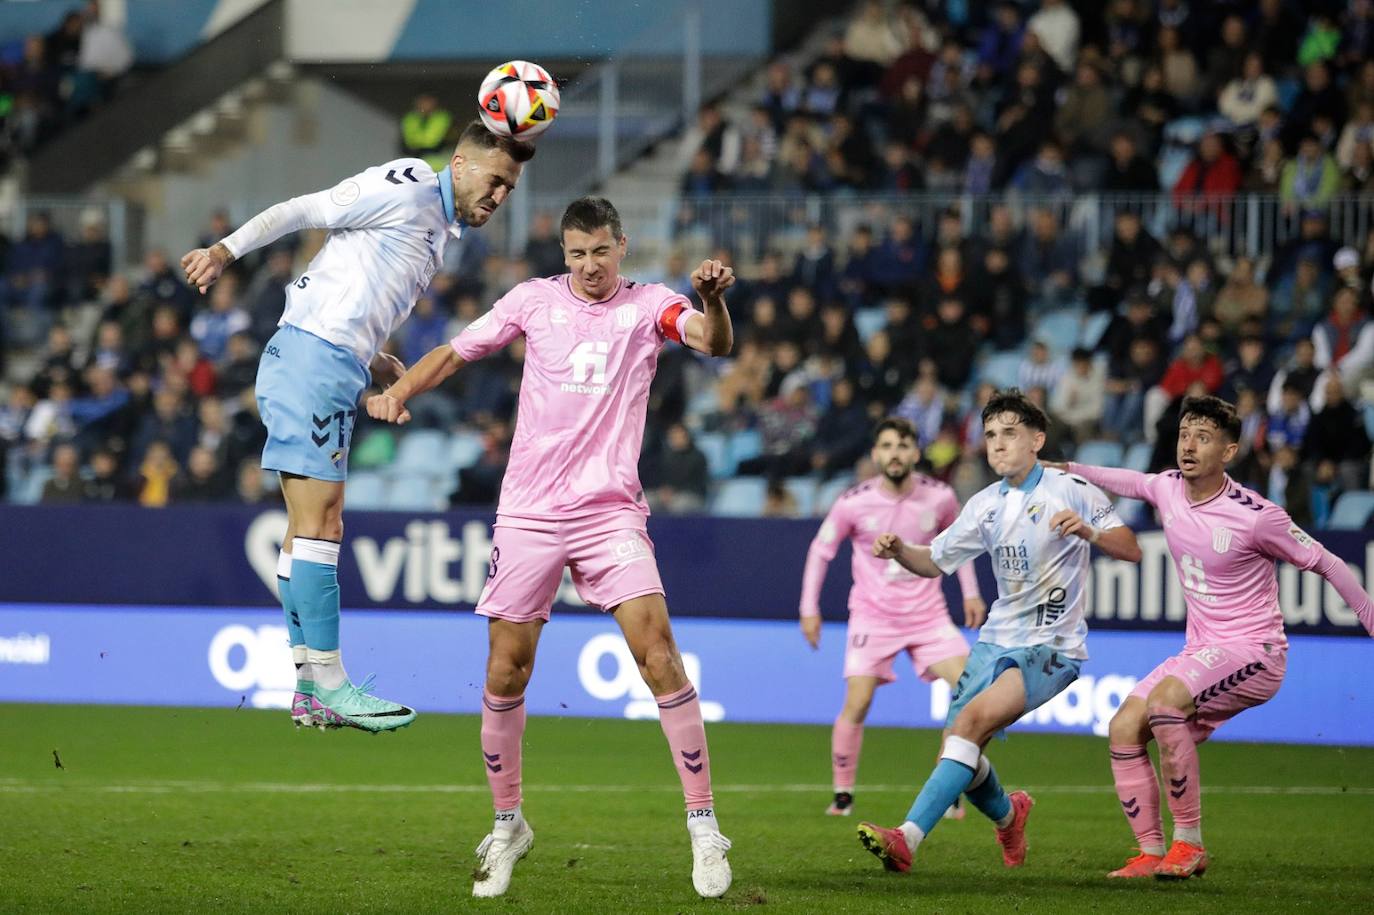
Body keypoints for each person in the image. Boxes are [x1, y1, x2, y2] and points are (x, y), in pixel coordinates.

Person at [366, 197, 736, 899]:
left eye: (600, 251)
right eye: (576, 254)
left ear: (621, 246)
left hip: (608, 512)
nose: (589, 266)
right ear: (562, 254)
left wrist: (713, 303)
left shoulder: (649, 305)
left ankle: (703, 825)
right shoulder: (532, 301)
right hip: (530, 511)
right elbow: (456, 351)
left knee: (658, 651)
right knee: (507, 668)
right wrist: (400, 390)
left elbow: (711, 341)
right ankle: (508, 824)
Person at [180, 121, 534, 732]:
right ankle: (335, 685)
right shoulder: (410, 185)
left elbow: (347, 287)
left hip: (329, 360)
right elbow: (303, 209)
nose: (500, 196)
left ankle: (308, 688)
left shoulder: (437, 229)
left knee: (304, 529)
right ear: (459, 163)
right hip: (313, 360)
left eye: (510, 188)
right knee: (323, 524)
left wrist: (374, 357)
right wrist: (222, 251)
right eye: (496, 180)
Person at [1055, 395, 1374, 879]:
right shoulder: (1168, 489)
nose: (1189, 445)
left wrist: (1369, 616)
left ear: (1228, 452)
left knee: (1164, 705)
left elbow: (1328, 562)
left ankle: (1190, 844)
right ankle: (1150, 852)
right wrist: (1068, 468)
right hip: (1201, 651)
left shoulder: (1257, 515)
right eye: (1185, 434)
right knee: (1123, 727)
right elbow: (1130, 481)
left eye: (1203, 437)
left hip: (1256, 652)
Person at [854, 389, 1141, 875]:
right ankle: (1010, 815)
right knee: (960, 752)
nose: (998, 445)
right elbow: (934, 562)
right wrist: (901, 549)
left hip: (1051, 646)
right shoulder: (984, 505)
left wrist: (1090, 533)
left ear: (1037, 439)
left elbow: (1131, 548)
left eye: (1010, 433)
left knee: (969, 728)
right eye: (990, 435)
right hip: (994, 639)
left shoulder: (1070, 489)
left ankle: (905, 840)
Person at [799, 417, 986, 818]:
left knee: (970, 689)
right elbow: (820, 551)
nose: (895, 453)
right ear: (875, 454)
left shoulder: (940, 497)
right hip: (873, 617)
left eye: (902, 445)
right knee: (859, 701)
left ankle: (948, 783)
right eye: (886, 446)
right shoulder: (854, 501)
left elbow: (959, 546)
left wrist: (971, 593)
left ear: (916, 453)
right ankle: (843, 794)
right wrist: (808, 608)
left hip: (928, 615)